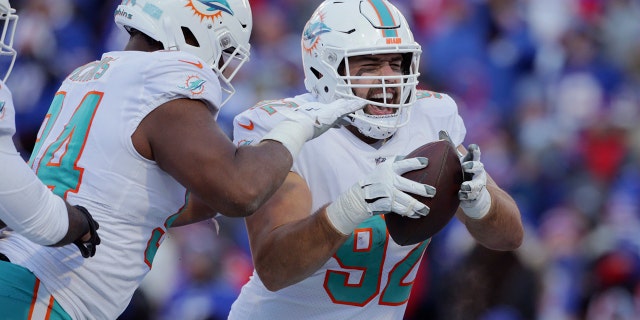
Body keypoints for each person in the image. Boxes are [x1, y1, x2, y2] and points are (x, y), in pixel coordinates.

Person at [0, 0, 363, 319]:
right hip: (40, 296)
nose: (221, 66)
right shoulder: (162, 82)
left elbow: (134, 194)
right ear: (195, 30)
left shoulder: (90, 74)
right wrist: (297, 127)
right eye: (223, 50)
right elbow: (241, 190)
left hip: (24, 277)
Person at [228, 0, 524, 319]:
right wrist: (353, 206)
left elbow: (509, 237)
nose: (389, 81)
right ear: (323, 69)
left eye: (396, 64)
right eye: (368, 66)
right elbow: (275, 269)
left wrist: (480, 204)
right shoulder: (292, 133)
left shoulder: (429, 122)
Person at [0, 0, 100, 258]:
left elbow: (82, 79)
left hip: (39, 134)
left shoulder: (68, 29)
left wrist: (46, 53)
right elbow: (43, 221)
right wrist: (82, 226)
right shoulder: (25, 26)